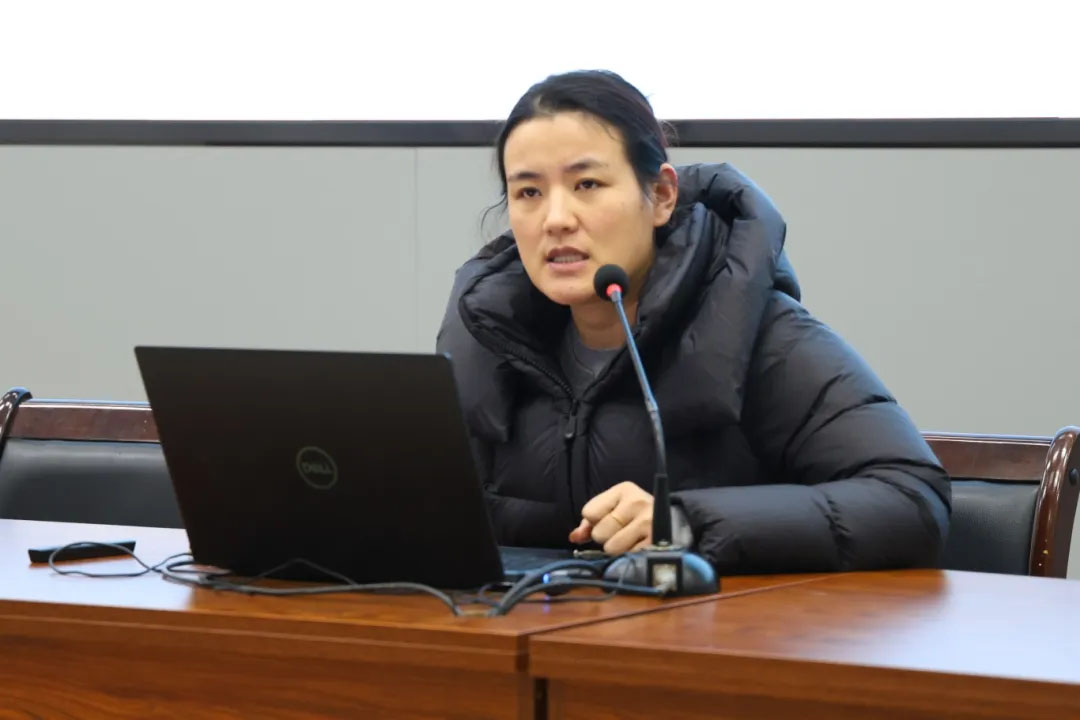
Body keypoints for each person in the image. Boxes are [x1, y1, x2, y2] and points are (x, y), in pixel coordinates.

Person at [437, 70, 950, 574]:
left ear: (662, 196)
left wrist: (686, 523)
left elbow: (909, 497)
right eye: (529, 193)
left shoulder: (754, 332)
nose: (556, 219)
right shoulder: (491, 343)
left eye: (587, 184)